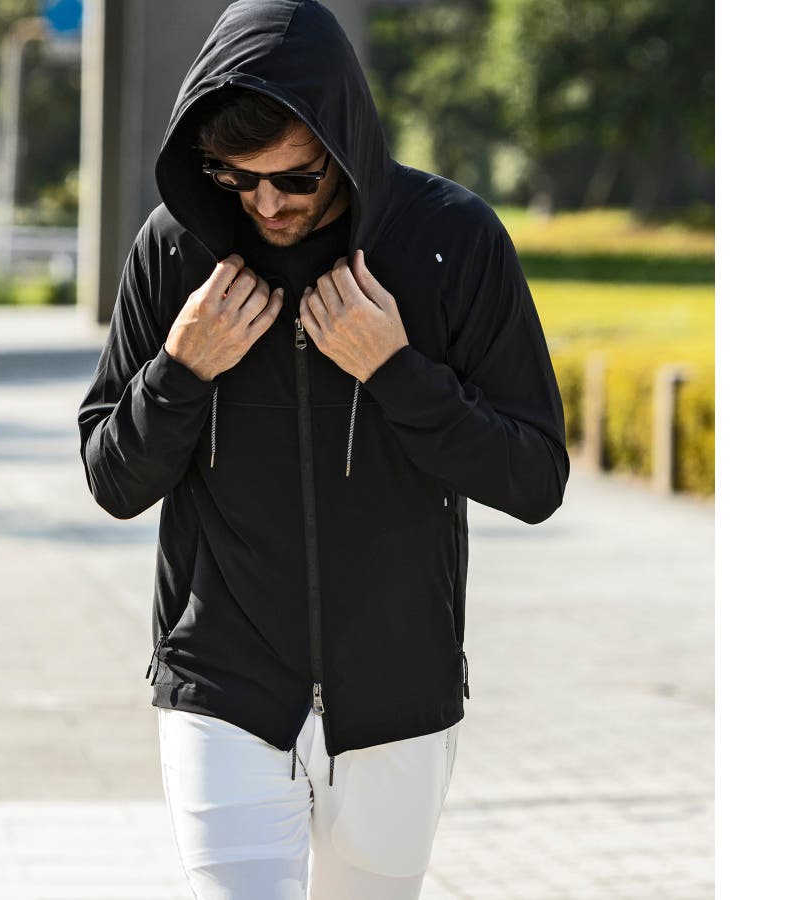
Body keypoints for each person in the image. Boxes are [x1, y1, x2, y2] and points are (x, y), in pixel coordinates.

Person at [77, 0, 570, 896]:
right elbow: (114, 478)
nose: (265, 203)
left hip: (397, 698)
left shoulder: (451, 243)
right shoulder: (176, 253)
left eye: (296, 178)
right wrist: (183, 368)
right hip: (219, 689)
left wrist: (396, 372)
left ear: (345, 146)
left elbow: (535, 476)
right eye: (235, 177)